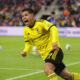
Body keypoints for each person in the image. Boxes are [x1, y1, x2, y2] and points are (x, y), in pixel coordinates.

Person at [21, 8, 80, 80]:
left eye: (26, 15)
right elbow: (28, 43)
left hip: (55, 51)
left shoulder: (41, 23)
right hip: (46, 57)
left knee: (47, 69)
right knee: (67, 76)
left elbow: (54, 29)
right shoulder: (25, 30)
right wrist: (25, 51)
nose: (24, 17)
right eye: (23, 16)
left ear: (33, 15)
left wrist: (54, 41)